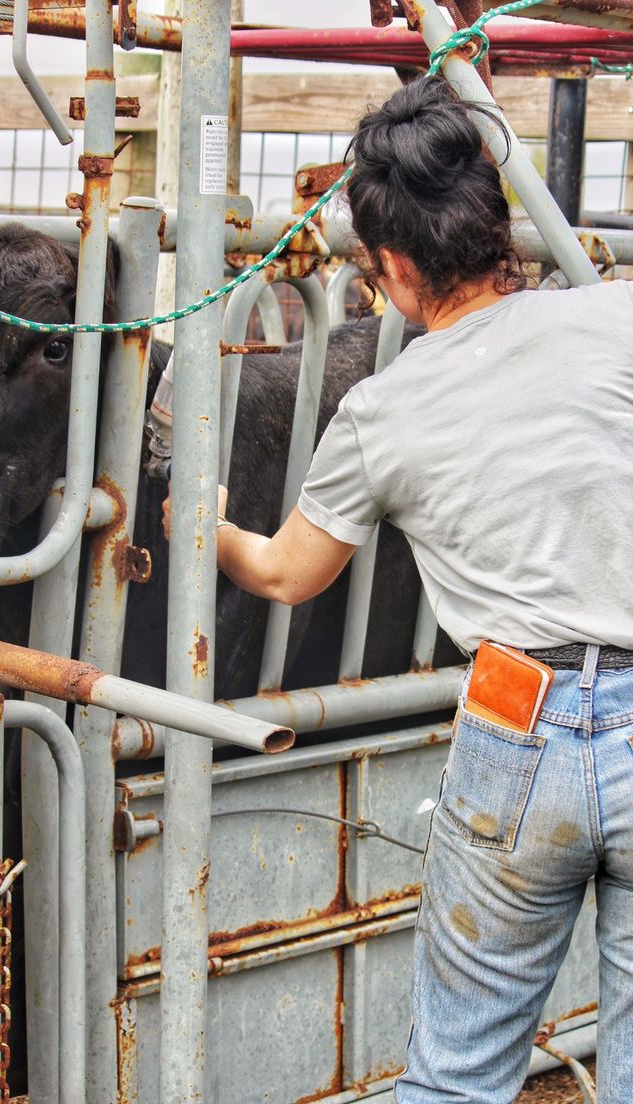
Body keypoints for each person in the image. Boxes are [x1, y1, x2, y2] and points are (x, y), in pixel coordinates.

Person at [162, 76, 633, 1102]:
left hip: (521, 727)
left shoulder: (384, 408)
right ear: (497, 227)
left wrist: (209, 531)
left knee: (458, 1074)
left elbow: (289, 573)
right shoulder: (620, 320)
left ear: (387, 267)